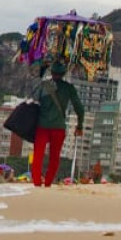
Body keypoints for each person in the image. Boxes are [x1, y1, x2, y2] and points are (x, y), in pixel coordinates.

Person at [30, 60, 85, 188]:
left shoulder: (43, 85)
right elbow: (80, 109)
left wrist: (43, 69)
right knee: (54, 157)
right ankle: (48, 183)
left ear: (52, 72)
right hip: (58, 127)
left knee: (38, 155)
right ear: (63, 73)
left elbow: (34, 95)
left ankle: (37, 183)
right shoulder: (69, 88)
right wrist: (80, 126)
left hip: (42, 126)